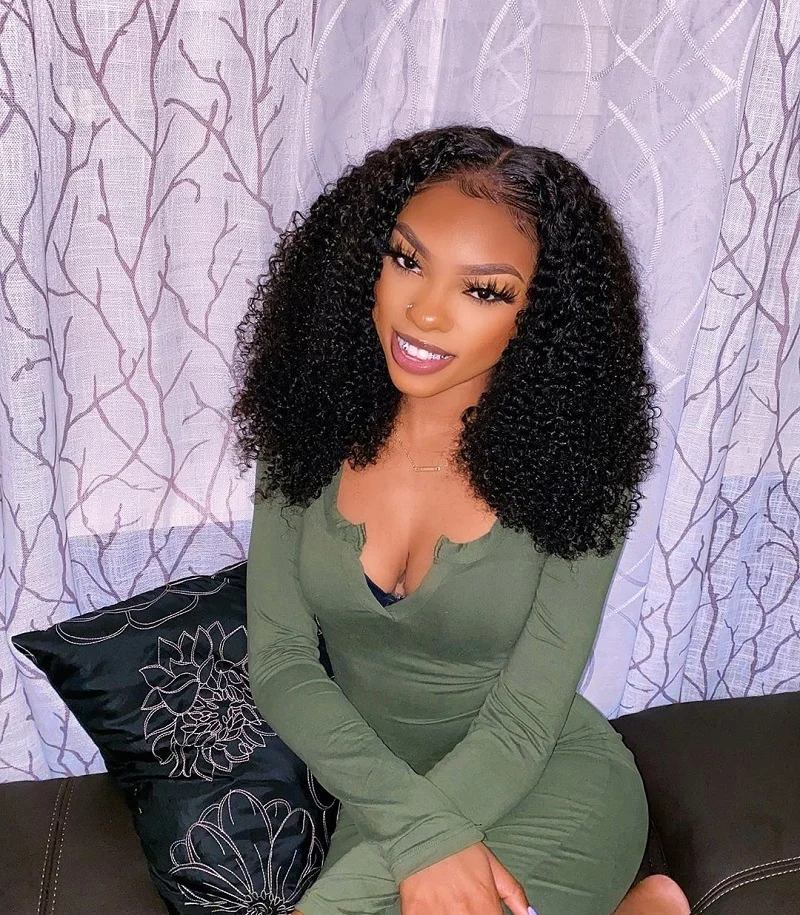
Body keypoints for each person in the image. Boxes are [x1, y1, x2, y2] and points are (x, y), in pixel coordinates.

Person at [232, 125, 691, 915]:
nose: (425, 311)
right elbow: (279, 661)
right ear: (363, 262)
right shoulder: (306, 433)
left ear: (540, 317)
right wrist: (414, 830)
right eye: (406, 260)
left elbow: (524, 721)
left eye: (484, 291)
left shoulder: (577, 475)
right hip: (387, 801)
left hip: (542, 782)